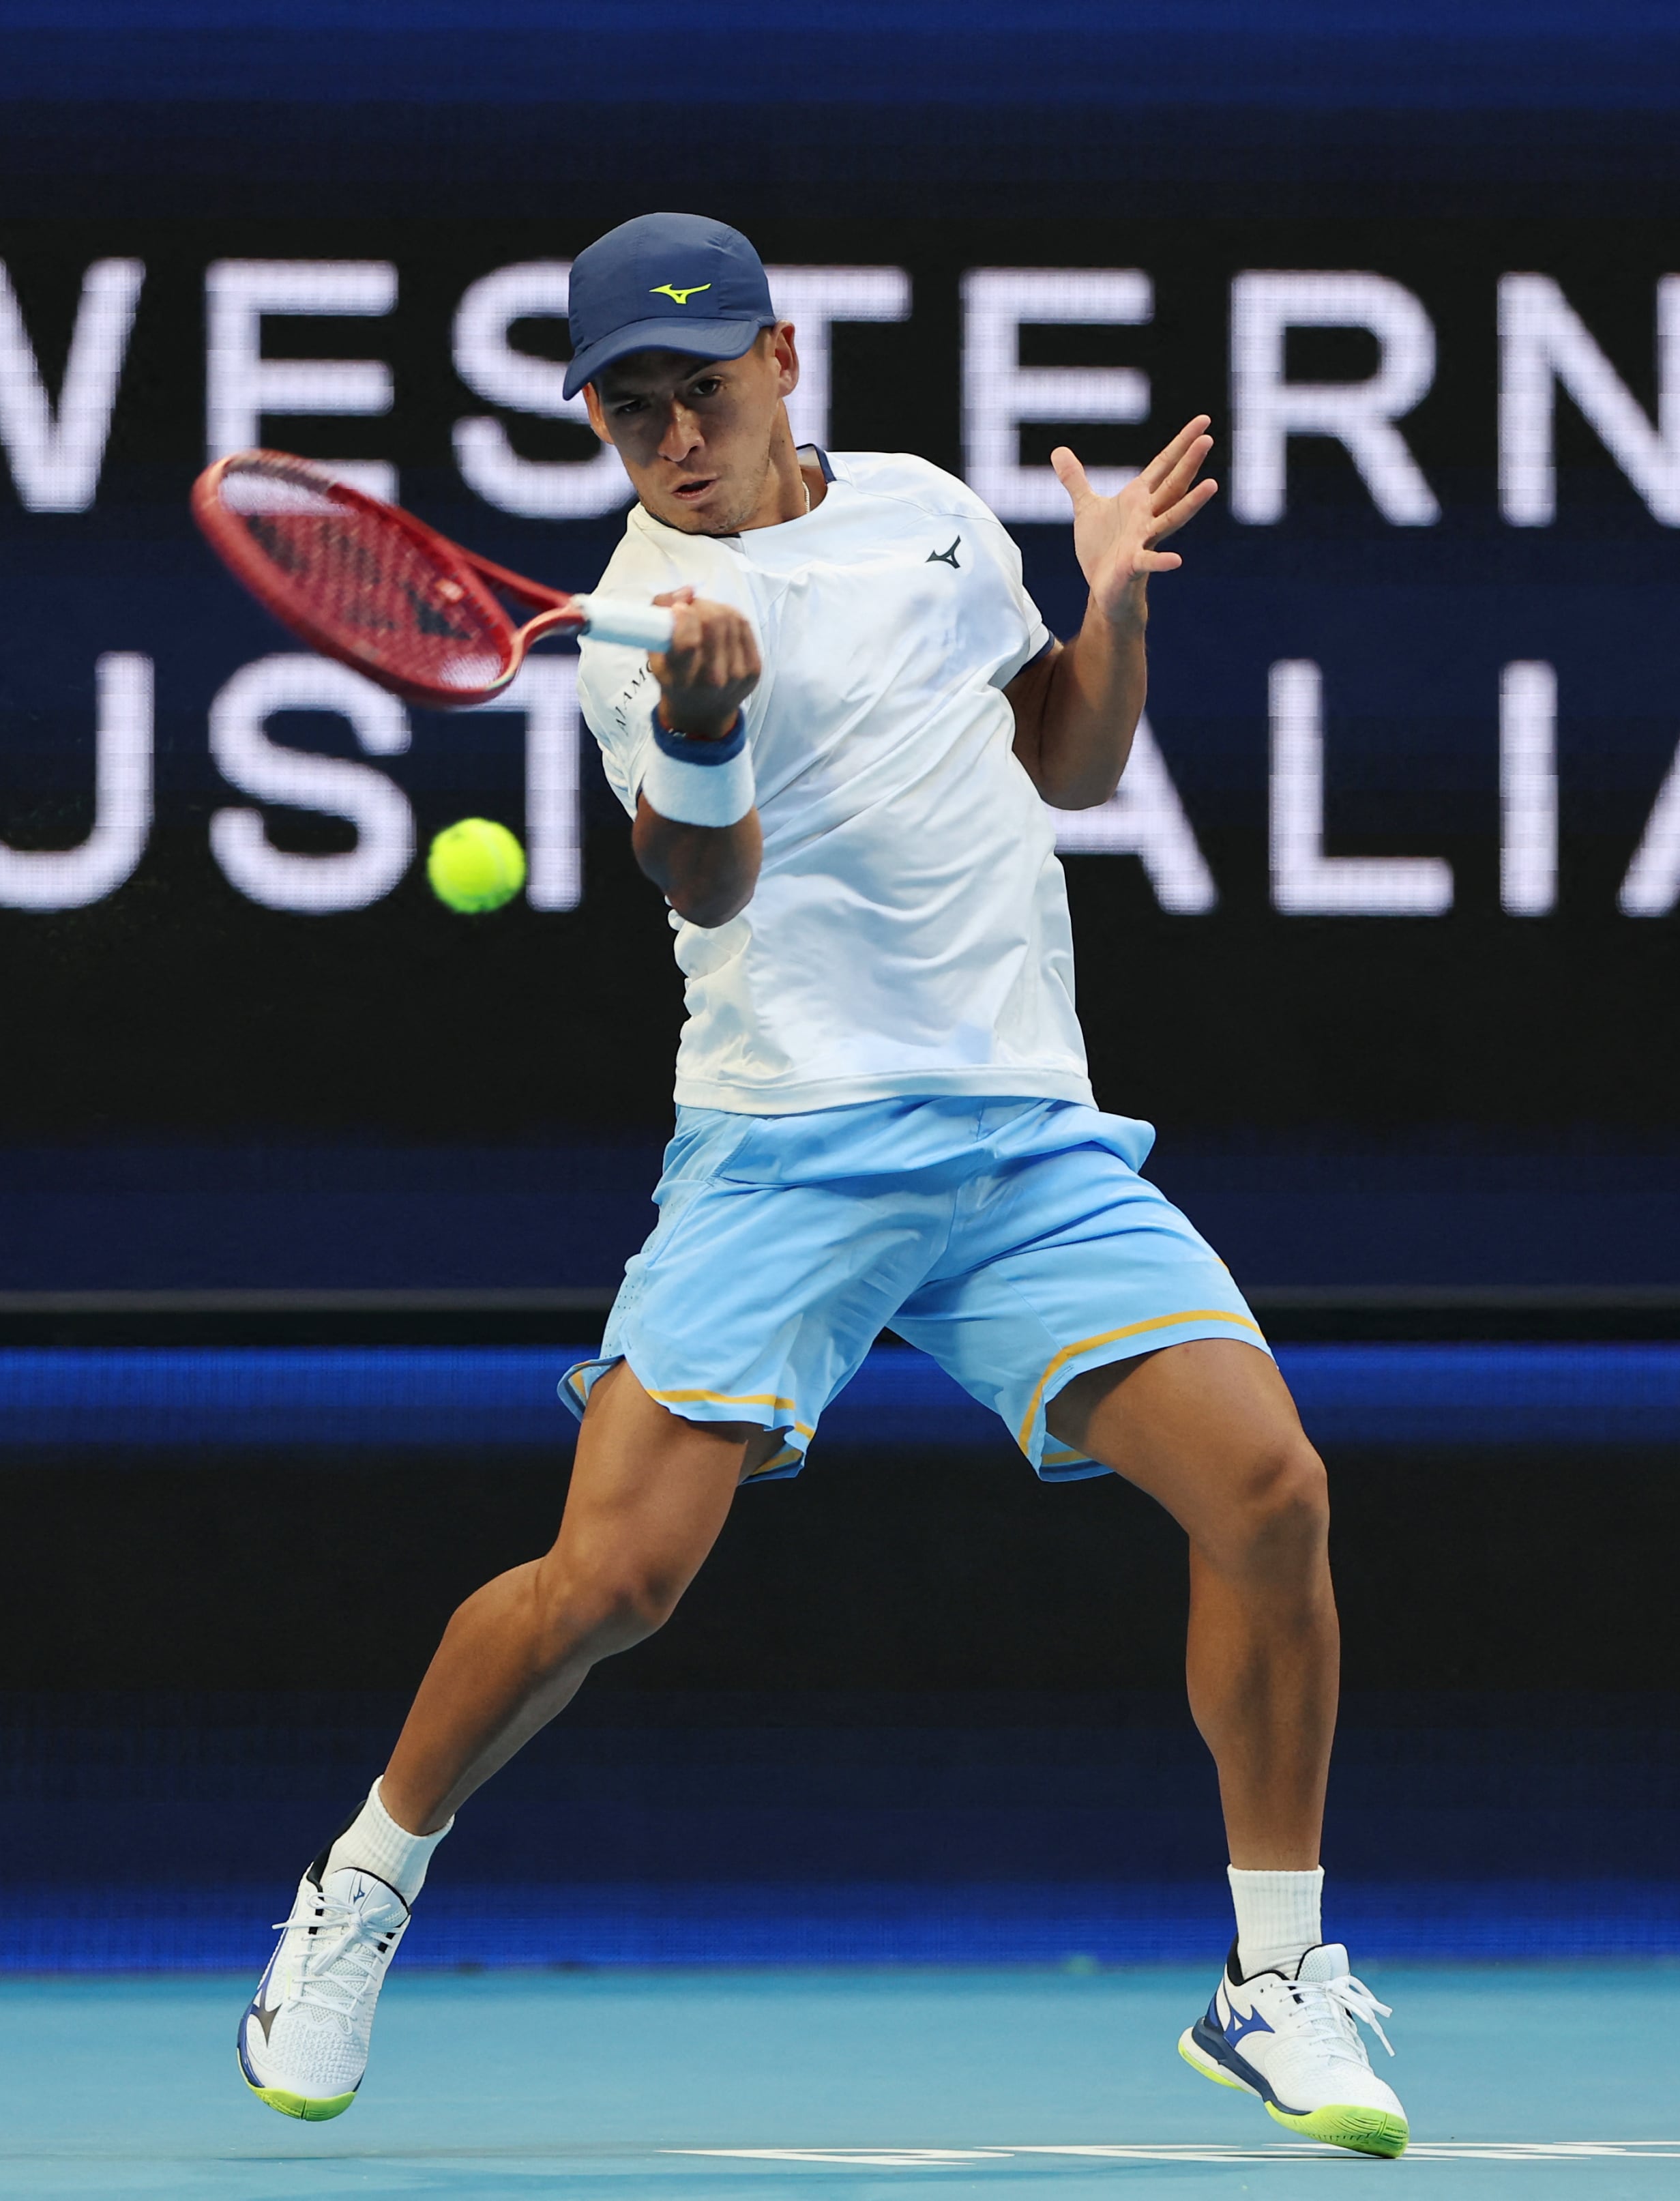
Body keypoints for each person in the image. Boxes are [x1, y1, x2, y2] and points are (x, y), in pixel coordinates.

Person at [237, 212, 1406, 2158]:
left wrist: (1109, 593)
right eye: (628, 414)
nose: (671, 439)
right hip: (790, 1145)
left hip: (1026, 1139)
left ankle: (1274, 1980)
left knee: (1273, 1489)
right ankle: (354, 1892)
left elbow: (1076, 762)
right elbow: (709, 886)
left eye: (696, 390)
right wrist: (700, 733)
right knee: (613, 1579)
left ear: (783, 361)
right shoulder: (638, 621)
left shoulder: (941, 521)